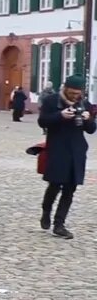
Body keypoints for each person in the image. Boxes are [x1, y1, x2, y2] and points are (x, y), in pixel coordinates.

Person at [37, 75, 94, 239]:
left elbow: (91, 129)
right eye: (73, 92)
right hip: (57, 149)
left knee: (70, 188)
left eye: (78, 93)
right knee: (54, 185)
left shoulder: (84, 104)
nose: (75, 96)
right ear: (66, 89)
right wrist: (60, 115)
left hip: (77, 151)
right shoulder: (52, 101)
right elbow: (42, 122)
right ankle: (46, 210)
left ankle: (59, 224)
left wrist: (87, 119)